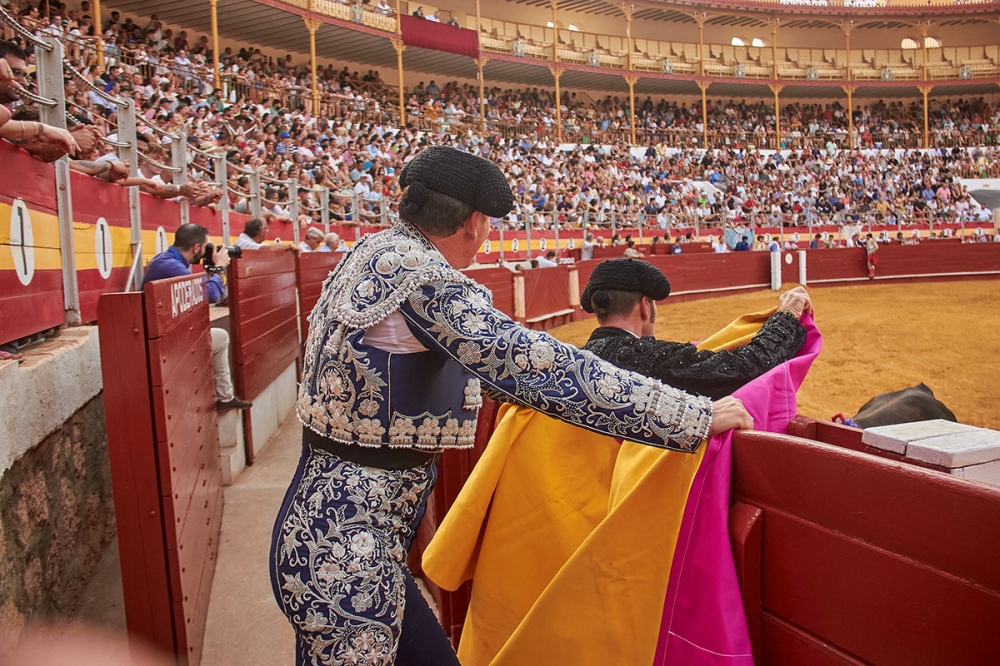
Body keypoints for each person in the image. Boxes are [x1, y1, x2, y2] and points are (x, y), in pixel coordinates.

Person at [270, 146, 751, 666]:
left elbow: (475, 374)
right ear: (475, 224)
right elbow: (536, 367)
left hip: (336, 536)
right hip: (347, 551)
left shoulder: (373, 252)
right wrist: (689, 415)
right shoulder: (424, 278)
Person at [580, 258, 811, 400]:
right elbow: (745, 369)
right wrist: (786, 317)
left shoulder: (577, 360)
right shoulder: (649, 359)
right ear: (644, 307)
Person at [142, 224, 252, 411]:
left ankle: (224, 397)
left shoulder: (166, 261)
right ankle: (225, 398)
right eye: (205, 247)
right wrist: (219, 267)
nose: (205, 252)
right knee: (221, 338)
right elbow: (212, 294)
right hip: (163, 342)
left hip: (163, 334)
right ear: (196, 248)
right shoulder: (171, 266)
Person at [233, 217, 298, 252]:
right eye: (266, 228)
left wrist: (289, 248)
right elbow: (270, 248)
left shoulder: (255, 242)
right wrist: (290, 246)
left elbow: (271, 246)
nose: (267, 231)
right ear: (260, 231)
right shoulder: (242, 242)